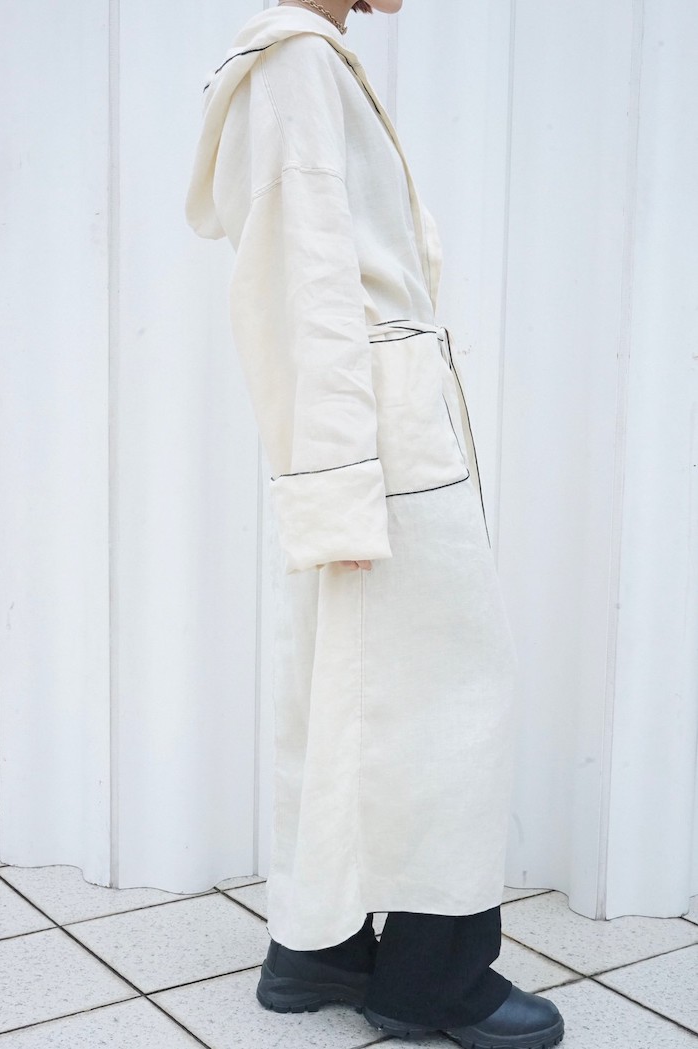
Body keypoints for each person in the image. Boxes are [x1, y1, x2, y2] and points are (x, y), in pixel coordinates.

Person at [185, 1, 565, 1045]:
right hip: (377, 443)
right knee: (449, 699)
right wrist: (339, 485)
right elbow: (301, 293)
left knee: (347, 699)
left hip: (382, 429)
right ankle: (433, 978)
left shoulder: (304, 63)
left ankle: (317, 947)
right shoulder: (295, 67)